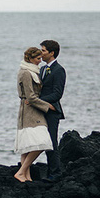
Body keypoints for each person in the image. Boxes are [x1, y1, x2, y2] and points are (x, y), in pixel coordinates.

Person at [13, 47, 55, 182]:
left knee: (28, 145)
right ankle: (21, 172)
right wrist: (47, 106)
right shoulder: (26, 73)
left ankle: (26, 176)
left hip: (32, 110)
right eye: (37, 59)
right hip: (30, 112)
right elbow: (30, 97)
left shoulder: (32, 71)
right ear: (30, 59)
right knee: (43, 142)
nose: (40, 61)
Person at [38, 39, 66, 181]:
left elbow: (57, 93)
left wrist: (38, 101)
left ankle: (56, 173)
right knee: (41, 140)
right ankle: (49, 171)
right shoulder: (42, 69)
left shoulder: (59, 70)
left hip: (52, 111)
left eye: (43, 50)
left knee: (51, 141)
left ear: (51, 53)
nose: (40, 53)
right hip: (41, 110)